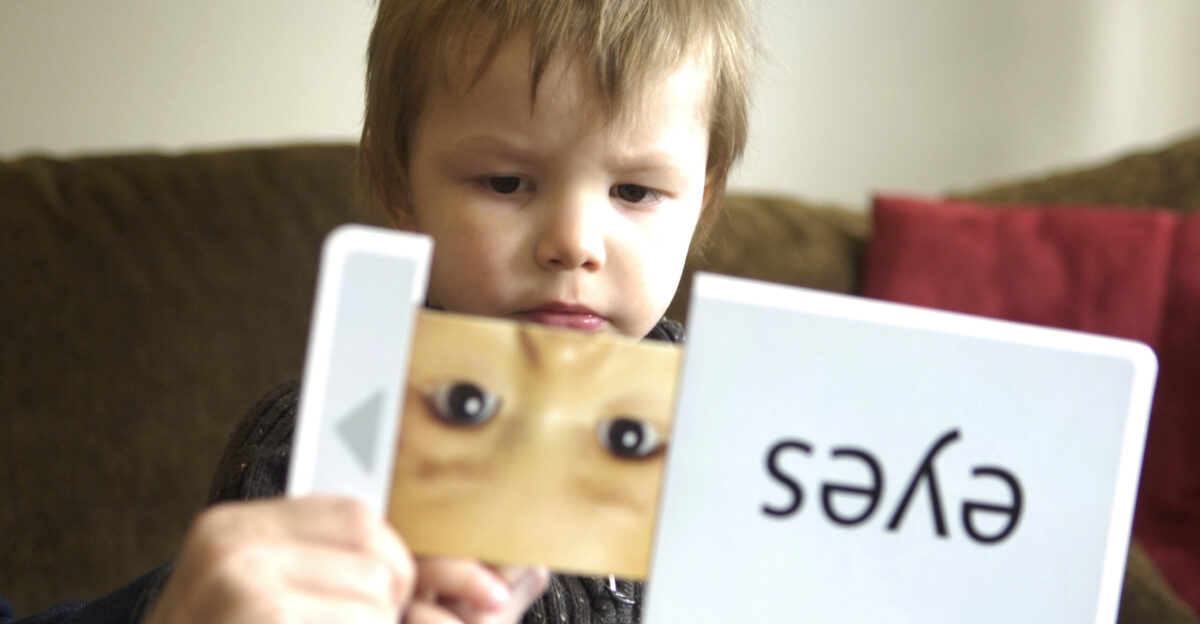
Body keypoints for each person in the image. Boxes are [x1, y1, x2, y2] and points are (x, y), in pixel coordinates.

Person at [12, 0, 755, 622]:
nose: (573, 244)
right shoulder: (322, 440)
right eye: (505, 182)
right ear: (400, 185)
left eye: (634, 193)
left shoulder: (735, 428)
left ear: (703, 201)